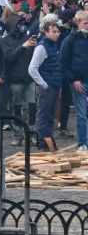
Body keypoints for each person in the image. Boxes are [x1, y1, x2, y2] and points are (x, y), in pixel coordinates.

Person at [29, 20, 64, 151]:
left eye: (58, 31)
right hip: (47, 87)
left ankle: (49, 141)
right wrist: (43, 84)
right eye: (53, 31)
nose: (57, 34)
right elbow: (32, 68)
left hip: (54, 86)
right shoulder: (42, 47)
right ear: (46, 32)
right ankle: (43, 142)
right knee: (43, 115)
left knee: (50, 116)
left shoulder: (53, 45)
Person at [60, 10, 88, 152]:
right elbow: (63, 63)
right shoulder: (69, 40)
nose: (87, 25)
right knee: (82, 114)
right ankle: (83, 143)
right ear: (78, 23)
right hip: (79, 82)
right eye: (85, 23)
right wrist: (73, 80)